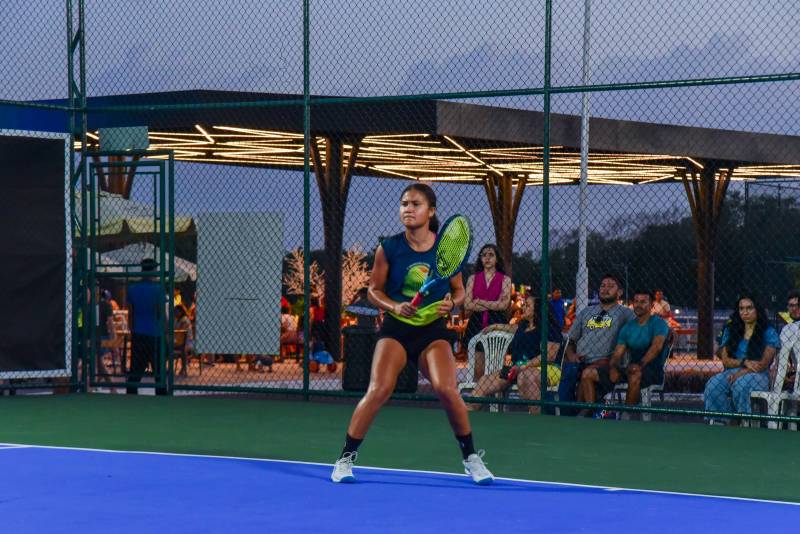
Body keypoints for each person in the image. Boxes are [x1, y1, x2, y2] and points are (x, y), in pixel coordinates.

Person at [331, 183, 493, 485]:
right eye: (404, 203)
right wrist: (395, 306)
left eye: (415, 204)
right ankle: (345, 459)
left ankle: (471, 458)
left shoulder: (446, 251)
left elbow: (459, 292)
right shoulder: (389, 247)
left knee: (447, 390)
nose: (408, 208)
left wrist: (451, 303)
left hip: (432, 332)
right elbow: (373, 291)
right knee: (379, 389)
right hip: (396, 330)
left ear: (430, 211)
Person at [467, 295, 562, 415]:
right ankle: (468, 412)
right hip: (517, 368)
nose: (524, 307)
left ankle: (538, 419)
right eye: (524, 305)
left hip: (546, 368)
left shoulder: (550, 328)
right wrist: (494, 326)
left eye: (528, 305)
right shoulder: (523, 325)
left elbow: (549, 356)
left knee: (525, 377)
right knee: (486, 381)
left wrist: (523, 367)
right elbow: (511, 328)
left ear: (538, 309)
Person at [582, 290, 669, 416]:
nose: (638, 305)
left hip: (652, 369)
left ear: (651, 306)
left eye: (643, 302)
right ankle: (593, 412)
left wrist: (640, 364)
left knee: (635, 373)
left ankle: (625, 416)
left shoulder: (658, 323)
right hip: (630, 367)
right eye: (636, 301)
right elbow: (618, 353)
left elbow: (656, 347)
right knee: (587, 374)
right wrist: (613, 367)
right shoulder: (628, 327)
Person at [559, 274, 635, 415]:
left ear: (619, 292)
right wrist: (571, 355)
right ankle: (584, 413)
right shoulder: (586, 312)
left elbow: (643, 323)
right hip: (579, 361)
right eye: (602, 285)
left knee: (585, 379)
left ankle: (588, 413)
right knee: (571, 379)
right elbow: (571, 340)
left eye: (610, 286)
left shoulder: (625, 313)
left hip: (605, 362)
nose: (605, 289)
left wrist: (667, 329)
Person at [704, 294, 778, 423]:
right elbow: (726, 360)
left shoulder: (768, 331)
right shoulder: (731, 329)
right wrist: (744, 362)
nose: (745, 312)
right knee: (713, 385)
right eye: (741, 308)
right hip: (733, 371)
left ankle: (744, 421)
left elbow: (762, 364)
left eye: (749, 308)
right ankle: (721, 421)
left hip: (757, 374)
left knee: (741, 384)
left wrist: (741, 372)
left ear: (757, 309)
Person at [463, 244, 512, 380]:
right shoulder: (472, 279)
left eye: (491, 255)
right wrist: (492, 304)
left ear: (497, 259)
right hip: (476, 324)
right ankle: (478, 398)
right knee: (477, 370)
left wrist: (480, 302)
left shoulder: (505, 280)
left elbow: (503, 305)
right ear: (480, 259)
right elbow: (467, 304)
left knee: (496, 370)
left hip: (497, 323)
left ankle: (497, 399)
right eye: (484, 255)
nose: (487, 258)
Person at [126, 258, 167, 395]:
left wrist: (132, 329)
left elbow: (130, 313)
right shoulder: (159, 289)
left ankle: (131, 392)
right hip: (155, 332)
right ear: (153, 270)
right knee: (158, 368)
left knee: (136, 367)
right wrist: (165, 329)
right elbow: (160, 311)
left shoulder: (132, 288)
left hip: (139, 332)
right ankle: (161, 393)